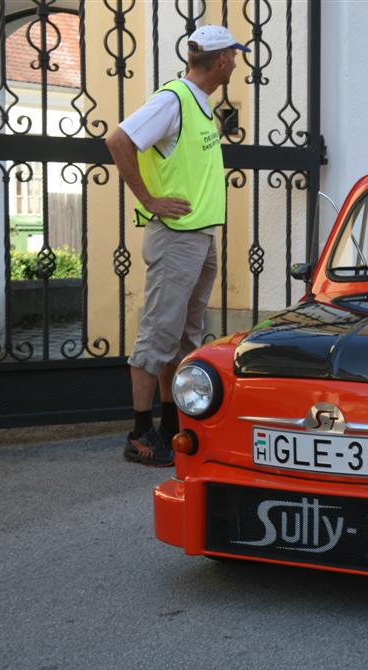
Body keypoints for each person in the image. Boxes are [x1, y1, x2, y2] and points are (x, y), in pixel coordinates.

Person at [105, 25, 248, 466]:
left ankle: (172, 425)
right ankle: (139, 434)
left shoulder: (201, 107)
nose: (237, 63)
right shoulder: (174, 100)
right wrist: (148, 199)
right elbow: (118, 139)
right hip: (176, 237)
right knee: (157, 335)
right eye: (234, 56)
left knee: (182, 336)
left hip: (200, 235)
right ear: (221, 60)